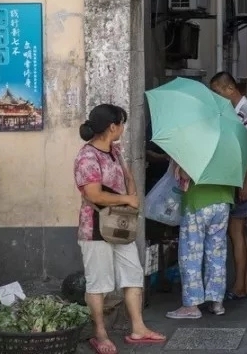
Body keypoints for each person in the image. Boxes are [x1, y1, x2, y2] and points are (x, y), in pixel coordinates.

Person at [74, 104, 166, 354]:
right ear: (112, 127)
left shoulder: (114, 151)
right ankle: (100, 334)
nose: (123, 128)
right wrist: (126, 200)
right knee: (99, 282)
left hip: (120, 225)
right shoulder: (87, 157)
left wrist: (133, 194)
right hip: (95, 227)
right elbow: (93, 194)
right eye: (121, 123)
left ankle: (138, 328)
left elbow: (127, 175)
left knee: (133, 273)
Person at [210, 72, 247, 300]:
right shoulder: (235, 112)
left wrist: (246, 182)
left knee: (235, 232)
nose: (216, 97)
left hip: (243, 178)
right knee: (239, 231)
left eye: (217, 92)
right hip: (240, 177)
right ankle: (245, 283)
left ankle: (240, 285)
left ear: (230, 89)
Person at [165, 161, 234, 319]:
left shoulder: (195, 150)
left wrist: (178, 163)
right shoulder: (226, 146)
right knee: (217, 253)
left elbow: (184, 174)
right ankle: (217, 302)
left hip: (198, 203)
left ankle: (191, 305)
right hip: (223, 202)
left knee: (191, 254)